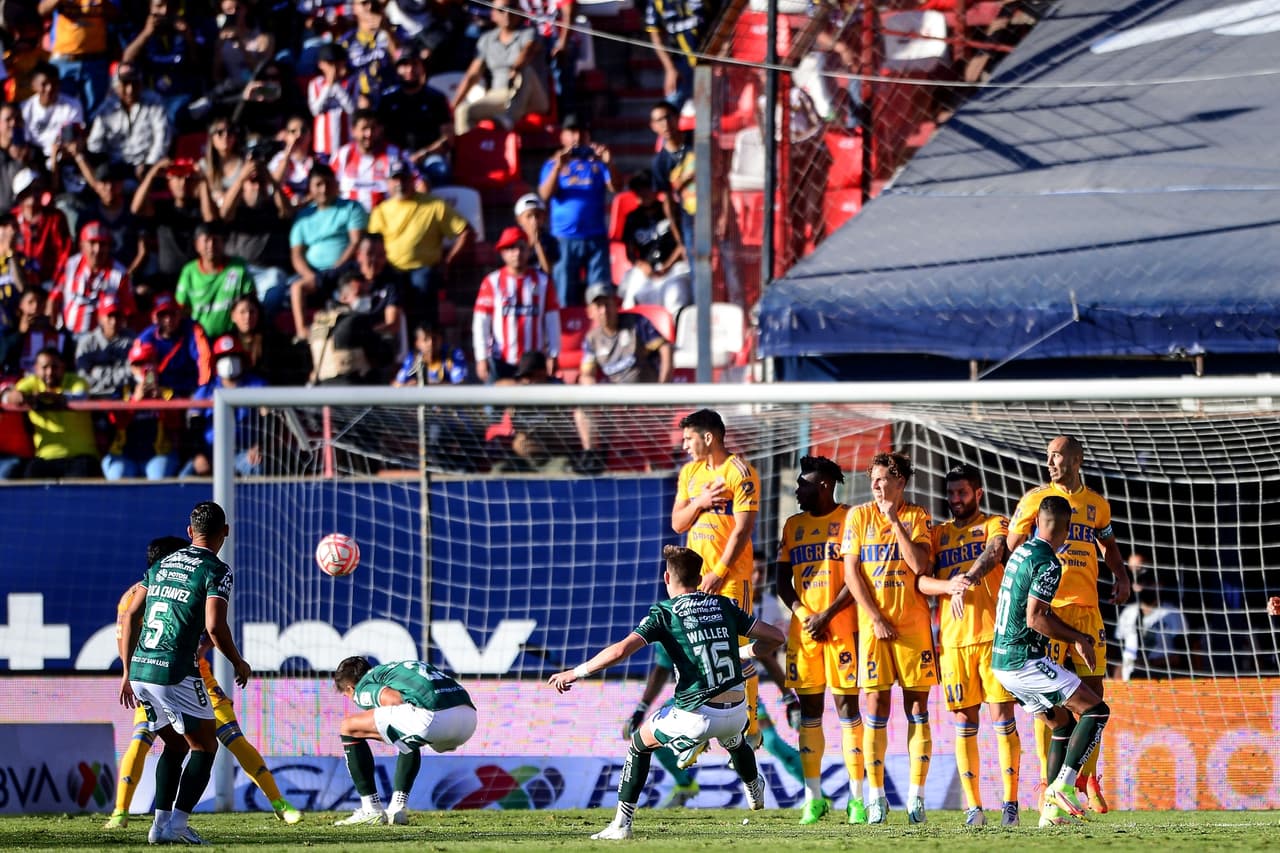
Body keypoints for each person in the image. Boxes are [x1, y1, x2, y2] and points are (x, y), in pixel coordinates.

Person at [549, 544, 784, 840]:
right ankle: (754, 786)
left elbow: (621, 651)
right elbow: (776, 637)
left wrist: (575, 672)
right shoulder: (723, 604)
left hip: (697, 715)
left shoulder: (665, 612)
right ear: (699, 579)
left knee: (638, 744)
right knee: (734, 739)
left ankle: (621, 826)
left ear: (666, 578)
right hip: (739, 710)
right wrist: (744, 652)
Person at [105, 535, 303, 828]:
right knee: (220, 741)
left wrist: (127, 671)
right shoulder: (188, 579)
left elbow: (128, 631)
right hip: (187, 677)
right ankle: (277, 802)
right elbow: (210, 629)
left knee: (148, 740)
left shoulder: (133, 594)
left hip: (146, 675)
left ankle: (122, 812)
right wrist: (226, 655)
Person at [1006, 435, 1130, 814]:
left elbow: (1107, 545)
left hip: (1087, 611)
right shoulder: (1035, 501)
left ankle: (1086, 780)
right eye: (1048, 457)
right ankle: (1049, 780)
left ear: (1077, 459)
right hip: (1051, 614)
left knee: (1092, 696)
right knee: (1050, 700)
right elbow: (1013, 545)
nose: (1051, 462)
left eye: (1057, 456)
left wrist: (1120, 576)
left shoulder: (1096, 505)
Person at [118, 501, 253, 845]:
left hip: (140, 671)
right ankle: (177, 825)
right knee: (206, 746)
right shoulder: (216, 569)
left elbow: (131, 615)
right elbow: (214, 626)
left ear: (190, 531)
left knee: (175, 745)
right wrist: (237, 661)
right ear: (226, 532)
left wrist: (125, 671)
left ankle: (158, 827)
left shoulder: (162, 563)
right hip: (174, 671)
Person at [992, 495, 1112, 828]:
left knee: (1062, 725)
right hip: (1023, 660)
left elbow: (1038, 609)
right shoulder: (1048, 562)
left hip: (1002, 663)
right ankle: (1063, 787)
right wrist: (1077, 637)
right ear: (1065, 528)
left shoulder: (1021, 554)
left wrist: (1073, 633)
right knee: (1096, 710)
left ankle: (1051, 813)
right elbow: (1035, 619)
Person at [916, 464, 1021, 827]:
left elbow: (995, 552)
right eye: (951, 493)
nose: (955, 499)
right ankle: (974, 808)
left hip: (994, 637)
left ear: (978, 493)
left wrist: (968, 578)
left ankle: (1010, 804)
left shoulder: (995, 523)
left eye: (962, 493)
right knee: (964, 722)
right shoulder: (938, 534)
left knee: (1003, 718)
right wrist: (949, 587)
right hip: (955, 642)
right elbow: (922, 582)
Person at [839, 450, 935, 825]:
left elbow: (920, 566)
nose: (877, 486)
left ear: (901, 482)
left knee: (917, 710)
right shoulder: (857, 517)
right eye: (873, 480)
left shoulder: (916, 516)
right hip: (874, 629)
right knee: (876, 707)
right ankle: (876, 796)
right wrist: (875, 618)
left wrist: (895, 522)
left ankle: (916, 798)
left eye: (883, 479)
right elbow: (851, 575)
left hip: (912, 627)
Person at [775, 455, 863, 825]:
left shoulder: (851, 519)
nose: (797, 489)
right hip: (805, 633)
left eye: (803, 483)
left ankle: (859, 799)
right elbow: (781, 582)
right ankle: (814, 798)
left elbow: (859, 575)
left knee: (847, 712)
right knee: (809, 714)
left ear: (824, 485)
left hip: (843, 629)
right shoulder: (792, 526)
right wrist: (805, 615)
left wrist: (826, 615)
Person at [670, 408, 761, 763]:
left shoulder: (740, 471)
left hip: (730, 578)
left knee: (735, 653)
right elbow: (678, 523)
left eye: (689, 438)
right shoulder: (690, 473)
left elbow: (743, 529)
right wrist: (701, 503)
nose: (684, 446)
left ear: (708, 437)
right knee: (694, 652)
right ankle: (698, 731)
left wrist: (719, 571)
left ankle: (748, 726)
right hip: (695, 578)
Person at [332, 655, 477, 826]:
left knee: (348, 727)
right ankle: (397, 808)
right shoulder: (393, 669)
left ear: (349, 688)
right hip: (468, 719)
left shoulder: (364, 686)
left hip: (434, 718)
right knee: (405, 735)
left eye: (346, 695)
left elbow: (393, 700)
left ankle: (370, 809)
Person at [367, 159, 472, 325]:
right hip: (391, 270)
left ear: (412, 180)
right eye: (395, 179)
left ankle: (426, 337)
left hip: (423, 269)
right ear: (388, 183)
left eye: (404, 179)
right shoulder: (381, 211)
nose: (399, 183)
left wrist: (448, 261)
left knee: (423, 284)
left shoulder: (434, 205)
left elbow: (465, 232)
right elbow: (372, 244)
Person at [537, 113, 616, 307]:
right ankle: (567, 335)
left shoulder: (597, 163)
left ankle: (599, 333)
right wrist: (558, 167)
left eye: (582, 132)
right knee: (564, 296)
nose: (577, 137)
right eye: (572, 132)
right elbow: (545, 195)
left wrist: (609, 163)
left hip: (595, 237)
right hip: (564, 238)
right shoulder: (551, 164)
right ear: (562, 136)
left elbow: (616, 187)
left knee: (600, 295)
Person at [288, 164, 369, 340]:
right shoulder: (303, 217)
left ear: (336, 184)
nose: (323, 189)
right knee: (293, 289)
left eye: (328, 183)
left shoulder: (351, 208)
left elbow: (356, 242)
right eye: (318, 184)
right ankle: (302, 334)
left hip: (345, 270)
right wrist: (309, 275)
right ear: (310, 187)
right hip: (313, 275)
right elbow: (296, 254)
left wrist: (336, 268)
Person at [472, 226, 561, 383]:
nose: (517, 253)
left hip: (534, 363)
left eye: (521, 247)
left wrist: (553, 354)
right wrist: (481, 357)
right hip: (501, 362)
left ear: (528, 250)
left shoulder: (543, 282)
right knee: (492, 406)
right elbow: (481, 323)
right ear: (502, 253)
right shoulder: (491, 282)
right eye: (511, 248)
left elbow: (552, 320)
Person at [450, 0, 550, 135]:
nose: (507, 13)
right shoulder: (486, 39)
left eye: (512, 8)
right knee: (463, 111)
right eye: (502, 10)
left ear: (519, 11)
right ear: (493, 14)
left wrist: (515, 68)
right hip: (500, 95)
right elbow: (472, 75)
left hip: (532, 97)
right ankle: (469, 151)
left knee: (524, 70)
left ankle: (508, 118)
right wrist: (454, 105)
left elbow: (528, 51)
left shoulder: (530, 32)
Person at [0, 345, 99, 479]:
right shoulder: (32, 383)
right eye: (44, 367)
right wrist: (14, 396)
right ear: (35, 368)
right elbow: (8, 395)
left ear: (63, 367)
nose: (50, 372)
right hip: (45, 457)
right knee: (30, 476)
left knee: (81, 485)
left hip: (80, 457)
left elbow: (80, 396)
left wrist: (48, 398)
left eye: (55, 367)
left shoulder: (75, 381)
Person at [101, 338, 183, 480]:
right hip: (123, 454)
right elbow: (115, 423)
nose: (143, 368)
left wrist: (160, 402)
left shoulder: (168, 393)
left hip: (158, 454)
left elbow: (176, 425)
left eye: (148, 362)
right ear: (131, 368)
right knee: (118, 478)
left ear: (156, 364)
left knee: (157, 479)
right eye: (138, 364)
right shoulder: (122, 392)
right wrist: (134, 402)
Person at [618, 169, 691, 317]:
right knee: (632, 293)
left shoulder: (669, 211)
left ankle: (676, 334)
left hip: (673, 267)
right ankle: (633, 332)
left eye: (646, 188)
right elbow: (630, 253)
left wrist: (668, 265)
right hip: (647, 269)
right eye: (638, 190)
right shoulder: (632, 218)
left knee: (676, 296)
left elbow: (683, 244)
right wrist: (641, 264)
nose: (643, 193)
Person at [48, 220, 135, 339]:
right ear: (82, 245)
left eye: (103, 244)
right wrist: (51, 334)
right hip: (68, 334)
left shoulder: (120, 274)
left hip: (101, 340)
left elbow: (128, 313)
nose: (97, 250)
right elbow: (53, 300)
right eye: (92, 243)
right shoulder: (70, 266)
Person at [1113, 552, 1189, 681]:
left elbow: (1182, 657)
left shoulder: (1172, 613)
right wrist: (1118, 673)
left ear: (1160, 584)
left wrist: (1150, 664)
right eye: (1139, 582)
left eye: (1148, 582)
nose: (1142, 586)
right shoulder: (1127, 613)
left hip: (1160, 680)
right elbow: (1116, 653)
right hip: (1128, 683)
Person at [578, 281, 671, 385]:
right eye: (599, 306)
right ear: (590, 312)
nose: (604, 311)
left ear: (616, 304)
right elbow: (587, 373)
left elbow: (665, 348)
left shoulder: (636, 323)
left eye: (607, 304)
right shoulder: (592, 339)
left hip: (646, 392)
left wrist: (662, 386)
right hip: (618, 397)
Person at [175, 221, 256, 340]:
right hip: (198, 340)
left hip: (231, 338)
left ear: (223, 243)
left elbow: (251, 302)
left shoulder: (238, 267)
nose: (211, 245)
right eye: (206, 240)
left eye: (216, 240)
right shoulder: (189, 272)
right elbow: (181, 309)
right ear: (196, 245)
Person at [86, 63, 170, 176]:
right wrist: (106, 162)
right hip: (115, 168)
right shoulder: (107, 107)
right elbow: (94, 143)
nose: (130, 90)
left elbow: (162, 139)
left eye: (134, 83)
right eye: (125, 84)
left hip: (146, 166)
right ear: (116, 86)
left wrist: (149, 165)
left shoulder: (155, 102)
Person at [376, 52, 453, 164]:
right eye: (405, 65)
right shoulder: (387, 99)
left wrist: (424, 153)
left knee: (439, 168)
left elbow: (448, 139)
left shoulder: (436, 98)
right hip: (393, 155)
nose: (410, 69)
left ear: (423, 68)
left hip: (428, 155)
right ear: (397, 69)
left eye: (415, 64)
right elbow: (378, 134)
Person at [134, 292, 212, 396]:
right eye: (163, 315)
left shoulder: (192, 330)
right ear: (155, 317)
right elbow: (143, 367)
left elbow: (204, 359)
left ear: (179, 313)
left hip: (192, 389)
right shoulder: (146, 338)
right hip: (162, 391)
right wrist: (151, 387)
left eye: (172, 313)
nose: (168, 319)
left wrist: (202, 392)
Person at [330, 110, 404, 213]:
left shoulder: (394, 154)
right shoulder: (342, 155)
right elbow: (328, 187)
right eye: (364, 129)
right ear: (353, 131)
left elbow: (418, 183)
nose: (369, 134)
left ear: (380, 129)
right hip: (348, 219)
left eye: (373, 128)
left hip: (385, 219)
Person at [74, 292, 134, 397]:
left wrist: (98, 372)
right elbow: (83, 377)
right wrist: (111, 384)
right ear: (100, 318)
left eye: (117, 316)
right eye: (109, 316)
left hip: (123, 397)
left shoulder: (132, 340)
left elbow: (133, 372)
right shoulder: (87, 342)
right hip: (94, 398)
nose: (114, 321)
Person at [20, 62, 86, 158]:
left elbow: (73, 137)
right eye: (44, 84)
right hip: (36, 156)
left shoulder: (72, 105)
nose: (49, 88)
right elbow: (25, 142)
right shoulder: (24, 108)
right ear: (33, 85)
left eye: (54, 83)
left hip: (64, 155)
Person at [308, 42, 359, 159]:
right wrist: (328, 86)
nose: (334, 67)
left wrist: (336, 85)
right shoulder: (315, 84)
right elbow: (315, 110)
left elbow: (352, 109)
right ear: (321, 64)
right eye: (330, 63)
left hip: (346, 144)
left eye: (338, 63)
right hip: (323, 147)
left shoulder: (351, 82)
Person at [513, 192, 559, 275]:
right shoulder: (514, 240)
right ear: (519, 220)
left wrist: (537, 243)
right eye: (529, 216)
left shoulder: (550, 241)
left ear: (544, 217)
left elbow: (548, 271)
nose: (534, 221)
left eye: (537, 216)